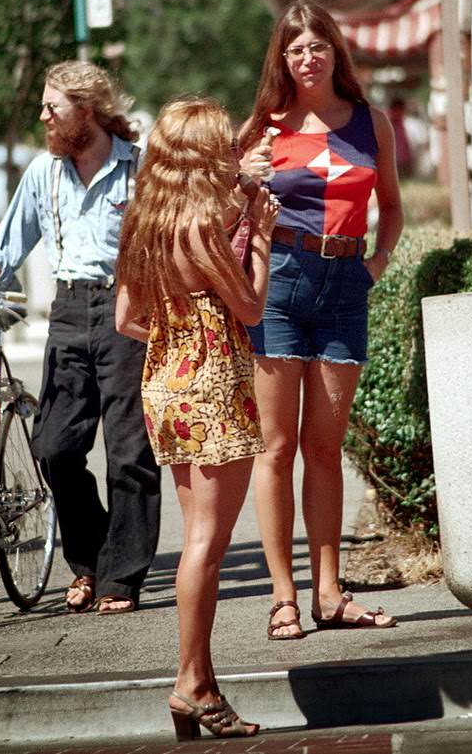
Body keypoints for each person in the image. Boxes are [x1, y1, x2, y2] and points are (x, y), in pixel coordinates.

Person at [0, 61, 161, 616]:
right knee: (52, 448)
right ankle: (96, 554)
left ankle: (118, 578)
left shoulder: (139, 167)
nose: (43, 116)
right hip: (69, 309)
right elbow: (3, 249)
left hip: (128, 308)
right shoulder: (43, 174)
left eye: (52, 107)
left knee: (129, 453)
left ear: (87, 109)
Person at [239, 0, 404, 640]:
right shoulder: (264, 125)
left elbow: (389, 205)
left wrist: (377, 263)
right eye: (296, 49)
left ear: (335, 52)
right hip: (278, 281)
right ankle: (284, 595)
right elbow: (229, 207)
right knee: (277, 449)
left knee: (326, 448)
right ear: (282, 59)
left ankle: (329, 592)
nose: (308, 58)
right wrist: (243, 176)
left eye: (318, 47)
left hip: (344, 283)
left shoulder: (370, 122)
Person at [115, 96, 279, 739]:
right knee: (207, 544)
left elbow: (126, 318)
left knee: (196, 541)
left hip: (164, 381)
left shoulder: (147, 221)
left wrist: (177, 331)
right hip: (213, 382)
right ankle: (191, 683)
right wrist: (260, 231)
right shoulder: (203, 228)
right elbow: (252, 307)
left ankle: (200, 682)